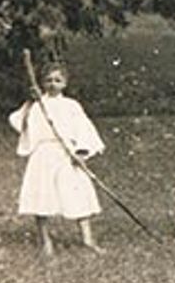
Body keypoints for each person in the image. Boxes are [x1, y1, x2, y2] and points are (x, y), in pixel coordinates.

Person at [7, 61, 105, 256]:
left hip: (66, 153)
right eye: (48, 80)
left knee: (78, 193)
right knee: (42, 196)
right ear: (42, 83)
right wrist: (30, 101)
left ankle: (87, 238)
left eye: (57, 80)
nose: (53, 84)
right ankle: (46, 241)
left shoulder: (71, 106)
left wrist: (81, 152)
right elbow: (19, 122)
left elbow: (85, 129)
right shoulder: (36, 105)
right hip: (43, 154)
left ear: (65, 83)